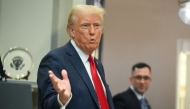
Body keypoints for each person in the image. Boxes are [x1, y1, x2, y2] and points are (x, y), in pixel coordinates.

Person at [37, 4, 114, 109]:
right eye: (85, 25)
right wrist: (62, 99)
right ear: (72, 31)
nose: (92, 32)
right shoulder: (55, 59)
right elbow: (46, 105)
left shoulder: (97, 65)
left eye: (97, 25)